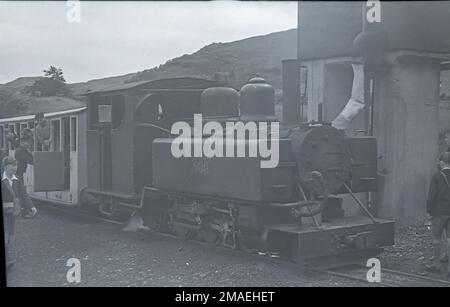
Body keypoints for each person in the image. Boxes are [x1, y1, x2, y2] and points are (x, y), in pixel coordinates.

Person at [1, 156, 38, 270]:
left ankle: (9, 257)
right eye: (12, 165)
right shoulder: (2, 180)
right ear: (6, 166)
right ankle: (8, 259)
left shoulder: (17, 180)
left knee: (10, 235)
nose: (15, 168)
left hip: (12, 213)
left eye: (16, 165)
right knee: (6, 235)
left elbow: (24, 195)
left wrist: (31, 206)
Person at [426, 152, 450, 278]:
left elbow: (432, 195)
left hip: (439, 212)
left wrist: (429, 211)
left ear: (442, 162)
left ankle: (436, 265)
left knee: (436, 239)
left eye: (439, 161)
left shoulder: (436, 176)